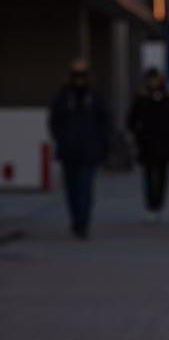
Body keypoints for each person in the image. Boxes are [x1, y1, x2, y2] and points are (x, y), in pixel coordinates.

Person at [50, 59, 110, 238]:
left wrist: (101, 143)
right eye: (76, 74)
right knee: (72, 189)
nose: (79, 79)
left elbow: (106, 120)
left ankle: (83, 222)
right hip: (69, 150)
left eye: (82, 74)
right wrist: (62, 139)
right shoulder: (63, 97)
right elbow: (54, 121)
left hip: (89, 150)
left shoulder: (95, 97)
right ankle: (76, 220)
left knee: (85, 187)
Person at [127, 68, 169, 221]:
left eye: (156, 79)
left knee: (163, 176)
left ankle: (158, 204)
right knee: (149, 176)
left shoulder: (167, 100)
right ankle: (151, 205)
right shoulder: (141, 100)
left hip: (164, 144)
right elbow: (131, 120)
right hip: (147, 144)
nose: (153, 82)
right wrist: (138, 133)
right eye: (151, 79)